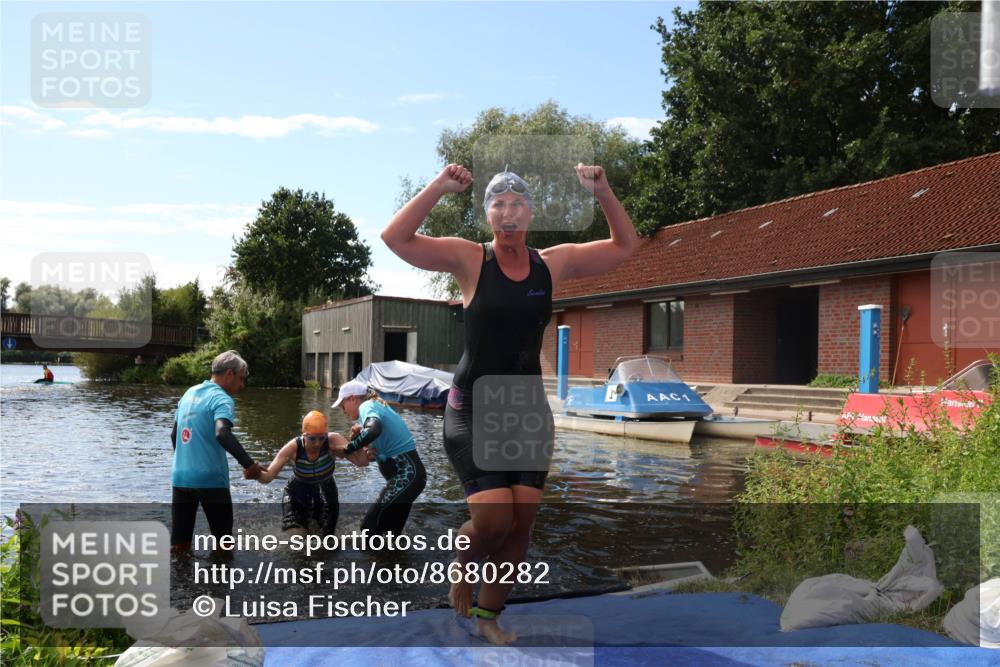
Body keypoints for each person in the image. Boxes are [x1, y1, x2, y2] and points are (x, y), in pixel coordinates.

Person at [381, 162, 639, 644]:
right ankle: (464, 558)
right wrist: (438, 185)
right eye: (498, 204)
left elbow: (625, 247)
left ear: (530, 213)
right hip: (474, 408)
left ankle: (488, 616)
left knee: (520, 527)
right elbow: (395, 238)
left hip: (526, 410)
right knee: (494, 519)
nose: (508, 212)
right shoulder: (469, 259)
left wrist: (602, 191)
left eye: (517, 203)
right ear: (488, 216)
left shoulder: (551, 263)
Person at [170, 350, 263, 554]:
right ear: (229, 374)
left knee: (179, 545)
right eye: (241, 379)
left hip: (180, 477)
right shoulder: (221, 399)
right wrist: (249, 465)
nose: (242, 385)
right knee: (224, 545)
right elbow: (222, 433)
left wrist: (187, 464)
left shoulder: (189, 393)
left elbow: (174, 435)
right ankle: (219, 584)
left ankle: (180, 583)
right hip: (211, 480)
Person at [332, 380, 427, 535]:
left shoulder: (366, 405)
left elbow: (374, 429)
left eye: (342, 405)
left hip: (407, 476)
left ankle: (372, 559)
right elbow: (386, 447)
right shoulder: (376, 406)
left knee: (368, 528)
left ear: (352, 399)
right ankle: (389, 559)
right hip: (412, 478)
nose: (343, 411)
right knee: (390, 534)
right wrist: (372, 453)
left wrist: (349, 448)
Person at [254, 410, 346, 537]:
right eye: (312, 438)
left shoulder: (333, 441)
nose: (318, 443)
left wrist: (358, 443)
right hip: (297, 492)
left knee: (328, 538)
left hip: (326, 490)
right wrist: (255, 473)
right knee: (297, 540)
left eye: (322, 438)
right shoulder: (293, 448)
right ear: (304, 435)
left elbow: (360, 459)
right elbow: (267, 477)